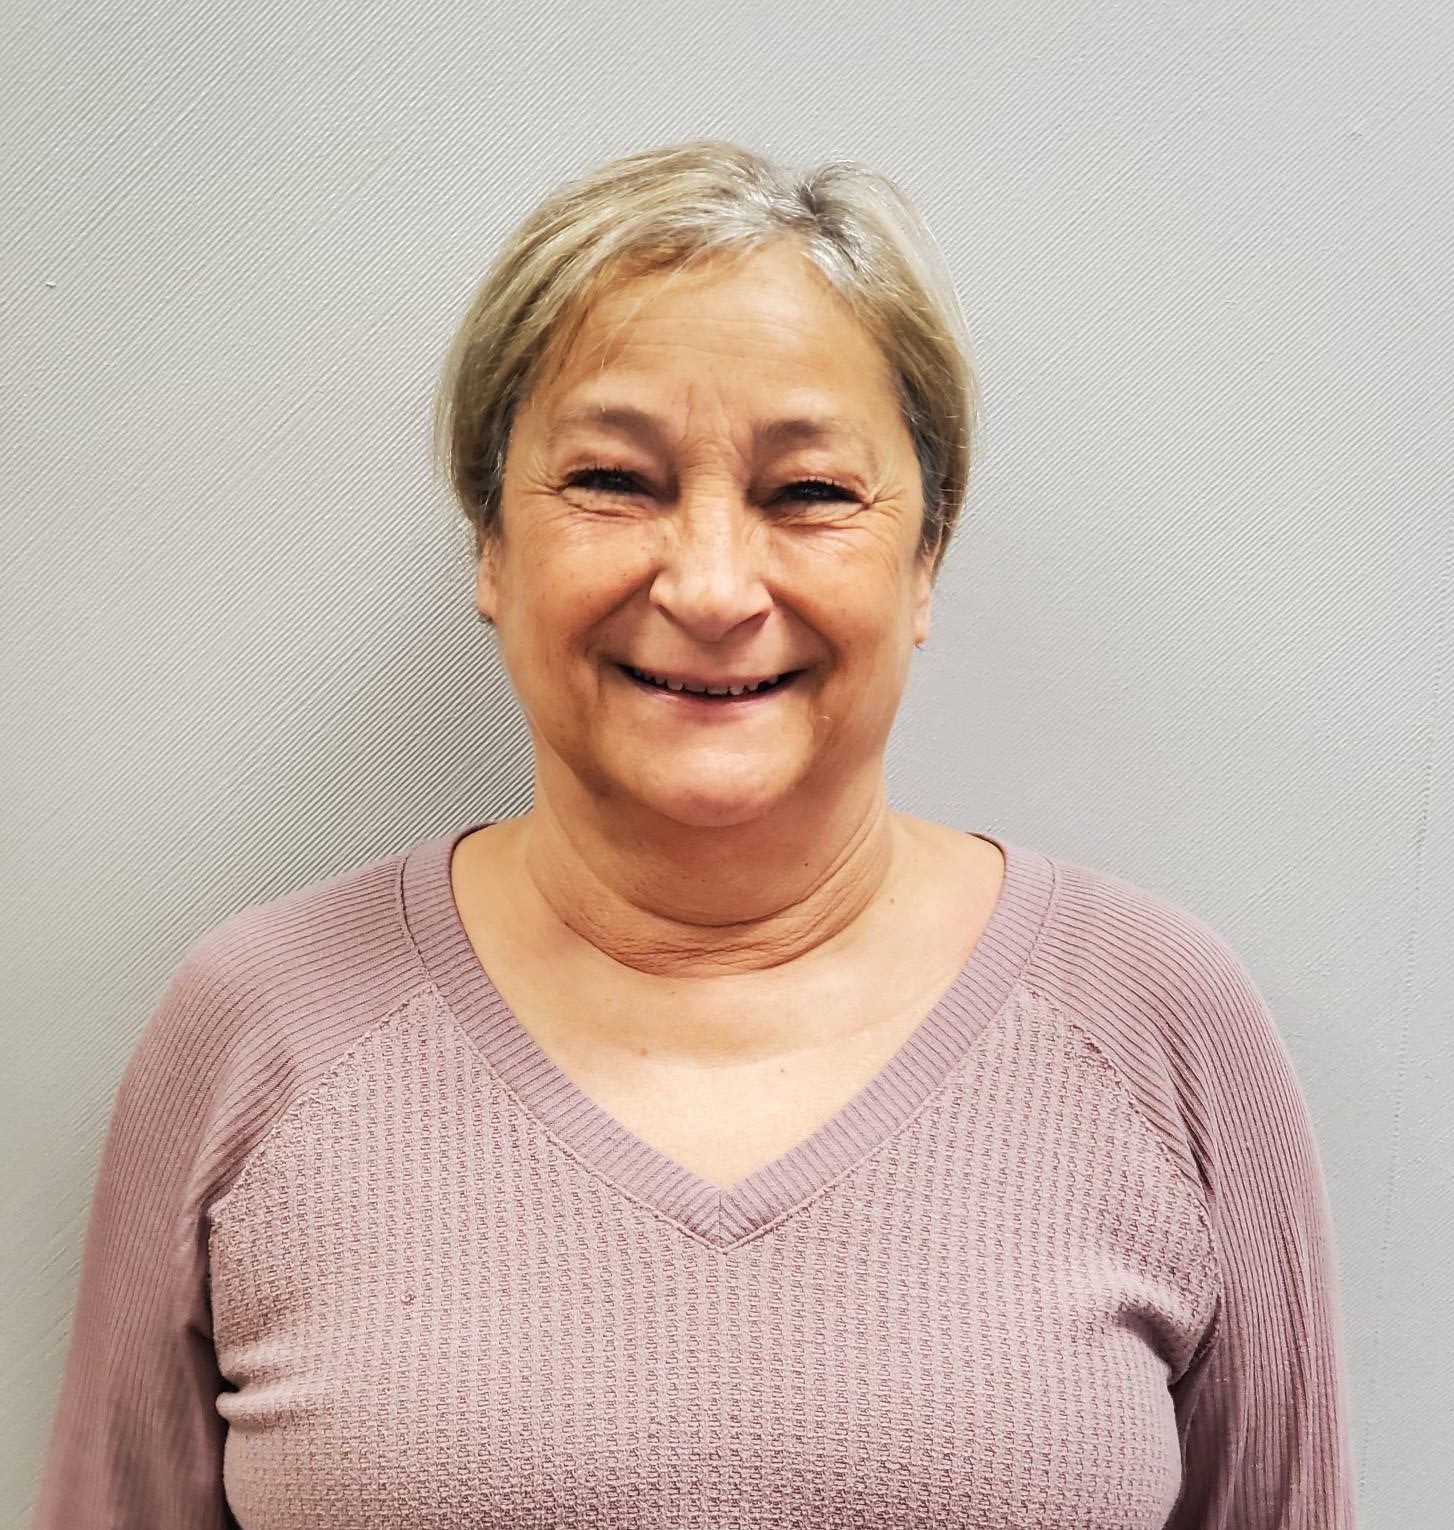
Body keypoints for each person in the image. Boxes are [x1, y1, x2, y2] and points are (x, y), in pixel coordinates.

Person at [32, 139, 1357, 1528]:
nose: (715, 585)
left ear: (926, 558)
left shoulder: (1158, 1027)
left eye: (809, 494)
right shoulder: (259, 1030)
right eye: (613, 480)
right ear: (490, 544)